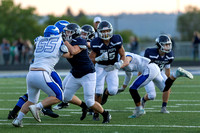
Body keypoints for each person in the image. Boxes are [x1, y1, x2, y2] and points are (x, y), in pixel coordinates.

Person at [8, 20, 70, 120]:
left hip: (34, 69)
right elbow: (68, 54)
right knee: (58, 93)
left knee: (32, 96)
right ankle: (40, 108)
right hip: (42, 69)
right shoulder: (58, 41)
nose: (68, 33)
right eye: (67, 31)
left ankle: (17, 116)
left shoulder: (41, 39)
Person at [117, 52, 193, 119]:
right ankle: (176, 74)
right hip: (154, 68)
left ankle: (139, 109)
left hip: (149, 69)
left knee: (133, 89)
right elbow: (128, 74)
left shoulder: (125, 55)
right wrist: (123, 87)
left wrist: (116, 66)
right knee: (165, 89)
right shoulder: (121, 59)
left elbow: (126, 61)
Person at [62, 23, 111, 124]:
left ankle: (105, 114)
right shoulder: (67, 42)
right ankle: (83, 106)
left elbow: (73, 52)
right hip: (76, 73)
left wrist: (65, 42)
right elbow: (66, 54)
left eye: (69, 32)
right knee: (66, 97)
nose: (66, 34)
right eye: (66, 32)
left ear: (74, 33)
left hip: (87, 74)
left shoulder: (80, 40)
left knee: (90, 101)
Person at [89, 20, 126, 120]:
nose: (105, 33)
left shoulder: (116, 40)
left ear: (111, 31)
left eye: (107, 31)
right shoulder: (96, 42)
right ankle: (96, 113)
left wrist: (120, 63)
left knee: (113, 91)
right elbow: (90, 59)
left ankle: (106, 93)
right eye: (103, 31)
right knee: (98, 91)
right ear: (99, 32)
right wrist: (98, 58)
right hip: (100, 67)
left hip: (112, 67)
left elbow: (123, 55)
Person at [141, 34, 174, 113]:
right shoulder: (150, 52)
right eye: (165, 45)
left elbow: (167, 70)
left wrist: (167, 82)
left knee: (167, 87)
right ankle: (143, 100)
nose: (167, 46)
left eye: (168, 44)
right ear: (159, 45)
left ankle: (164, 107)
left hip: (159, 72)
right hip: (148, 73)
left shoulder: (169, 55)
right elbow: (143, 66)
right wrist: (140, 77)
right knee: (152, 96)